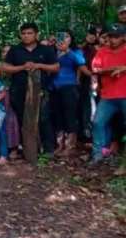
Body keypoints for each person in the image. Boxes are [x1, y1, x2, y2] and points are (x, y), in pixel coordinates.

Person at [1, 22, 59, 159]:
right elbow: (4, 67)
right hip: (19, 91)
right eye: (24, 33)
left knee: (43, 118)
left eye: (30, 33)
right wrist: (22, 67)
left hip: (41, 91)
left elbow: (56, 67)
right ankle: (28, 150)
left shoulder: (46, 50)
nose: (26, 36)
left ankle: (49, 149)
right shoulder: (15, 50)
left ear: (36, 34)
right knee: (23, 120)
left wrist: (38, 65)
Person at [90, 23, 126, 165]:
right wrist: (112, 69)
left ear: (123, 37)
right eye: (110, 36)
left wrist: (123, 68)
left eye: (116, 37)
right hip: (108, 96)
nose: (112, 40)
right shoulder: (102, 51)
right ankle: (97, 154)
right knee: (98, 122)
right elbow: (95, 69)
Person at [51, 30, 90, 157]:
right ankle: (60, 145)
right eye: (61, 36)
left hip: (69, 86)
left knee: (70, 116)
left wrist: (67, 50)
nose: (64, 39)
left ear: (71, 39)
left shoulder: (75, 51)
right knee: (58, 116)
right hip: (54, 88)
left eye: (67, 36)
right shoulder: (53, 51)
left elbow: (81, 61)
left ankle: (70, 145)